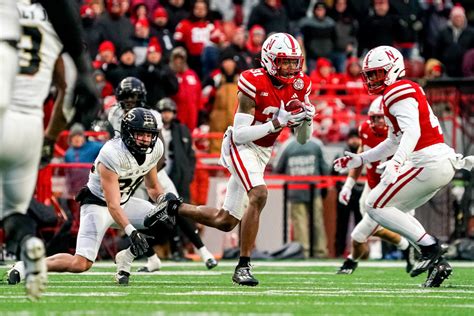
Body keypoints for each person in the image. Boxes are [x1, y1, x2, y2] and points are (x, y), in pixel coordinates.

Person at [147, 33, 316, 286]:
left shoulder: (301, 85)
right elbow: (240, 134)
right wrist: (277, 123)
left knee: (225, 221)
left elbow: (302, 139)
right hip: (241, 145)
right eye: (285, 62)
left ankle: (172, 207)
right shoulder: (252, 81)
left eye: (294, 62)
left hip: (263, 151)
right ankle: (243, 266)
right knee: (258, 194)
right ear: (270, 60)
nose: (291, 68)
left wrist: (307, 120)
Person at [334, 45, 474, 287]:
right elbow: (393, 140)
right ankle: (436, 262)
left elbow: (412, 131)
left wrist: (396, 163)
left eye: (377, 73)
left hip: (428, 162)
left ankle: (430, 248)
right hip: (437, 164)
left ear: (392, 70)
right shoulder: (399, 92)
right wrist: (361, 159)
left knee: (374, 204)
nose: (371, 79)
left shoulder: (397, 91)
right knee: (392, 209)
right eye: (370, 74)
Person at [8, 108, 167, 287]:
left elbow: (153, 187)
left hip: (124, 202)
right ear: (128, 133)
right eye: (140, 134)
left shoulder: (154, 149)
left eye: (149, 134)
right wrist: (132, 232)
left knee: (163, 218)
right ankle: (27, 265)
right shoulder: (112, 153)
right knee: (80, 264)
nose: (146, 139)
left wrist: (165, 200)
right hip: (99, 205)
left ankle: (126, 258)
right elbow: (112, 205)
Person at [107, 78, 217, 270]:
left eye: (134, 96)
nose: (130, 100)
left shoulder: (152, 116)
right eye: (126, 96)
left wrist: (145, 172)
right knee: (142, 219)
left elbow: (160, 153)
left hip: (151, 170)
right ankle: (152, 259)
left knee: (175, 205)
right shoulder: (114, 114)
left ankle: (203, 251)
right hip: (127, 172)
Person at [2, 0, 63, 301]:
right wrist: (50, 137)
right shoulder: (55, 19)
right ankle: (28, 246)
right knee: (13, 209)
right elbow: (69, 90)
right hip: (31, 125)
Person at [336, 96, 414, 275]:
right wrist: (348, 184)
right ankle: (406, 246)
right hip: (372, 188)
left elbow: (414, 160)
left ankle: (426, 252)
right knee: (375, 228)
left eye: (380, 117)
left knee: (407, 228)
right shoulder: (365, 129)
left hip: (395, 189)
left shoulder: (401, 131)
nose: (377, 121)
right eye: (373, 117)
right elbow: (360, 157)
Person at [273, 133, 329, 258]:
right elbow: (326, 167)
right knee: (317, 221)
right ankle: (320, 251)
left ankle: (303, 252)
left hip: (295, 189)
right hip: (314, 189)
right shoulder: (316, 143)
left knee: (300, 222)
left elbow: (277, 167)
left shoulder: (286, 145)